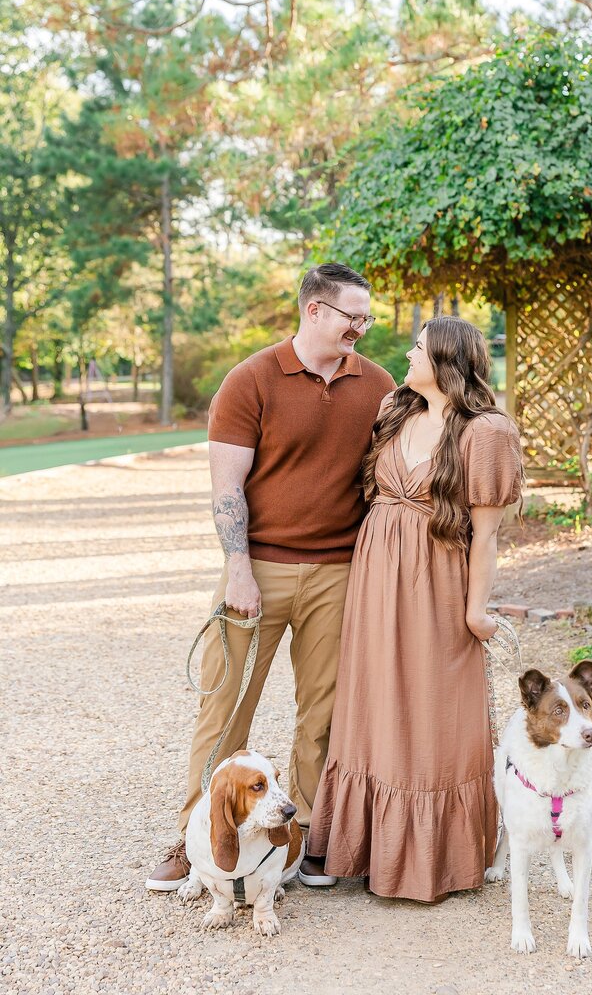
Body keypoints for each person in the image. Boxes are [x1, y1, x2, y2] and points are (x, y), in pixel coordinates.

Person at [146, 263, 395, 891]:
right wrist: (238, 570)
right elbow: (226, 487)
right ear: (314, 310)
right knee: (224, 711)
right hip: (256, 572)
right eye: (352, 317)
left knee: (323, 714)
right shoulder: (250, 380)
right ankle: (194, 837)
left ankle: (301, 841)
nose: (361, 329)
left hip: (339, 572)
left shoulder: (379, 385)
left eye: (367, 318)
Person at [306, 316, 523, 903]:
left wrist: (477, 610)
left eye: (419, 349)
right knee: (372, 704)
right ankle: (361, 847)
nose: (407, 353)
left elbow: (486, 536)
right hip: (375, 579)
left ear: (448, 361)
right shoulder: (394, 412)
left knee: (432, 710)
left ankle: (433, 858)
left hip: (436, 583)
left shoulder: (485, 433)